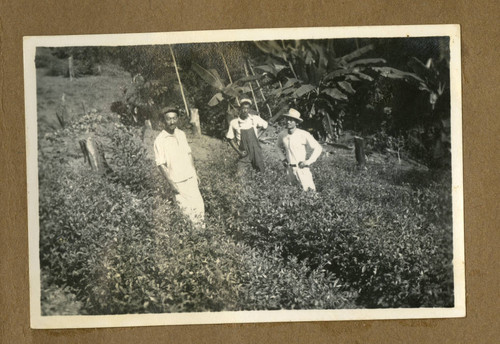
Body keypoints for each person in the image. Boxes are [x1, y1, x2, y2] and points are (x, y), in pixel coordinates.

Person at [154, 108, 205, 225]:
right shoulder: (160, 140)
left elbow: (188, 154)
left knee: (199, 207)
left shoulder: (181, 134)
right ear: (164, 121)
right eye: (168, 119)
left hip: (190, 178)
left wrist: (194, 173)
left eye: (174, 118)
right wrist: (172, 184)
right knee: (186, 213)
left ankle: (202, 236)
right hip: (177, 181)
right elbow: (161, 164)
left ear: (177, 119)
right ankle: (192, 239)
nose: (172, 122)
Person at [277, 108, 323, 191]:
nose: (288, 122)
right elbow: (277, 146)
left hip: (301, 169)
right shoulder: (282, 134)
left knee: (309, 192)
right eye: (287, 119)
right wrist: (283, 159)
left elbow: (318, 148)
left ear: (296, 122)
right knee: (293, 193)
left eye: (291, 120)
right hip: (289, 169)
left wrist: (307, 162)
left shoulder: (303, 134)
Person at [226, 98, 268, 172]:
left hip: (256, 151)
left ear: (249, 109)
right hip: (244, 152)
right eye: (243, 108)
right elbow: (229, 138)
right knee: (240, 175)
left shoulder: (255, 119)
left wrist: (257, 136)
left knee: (260, 172)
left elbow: (265, 126)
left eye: (247, 108)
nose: (245, 110)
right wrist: (239, 152)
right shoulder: (234, 122)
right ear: (240, 109)